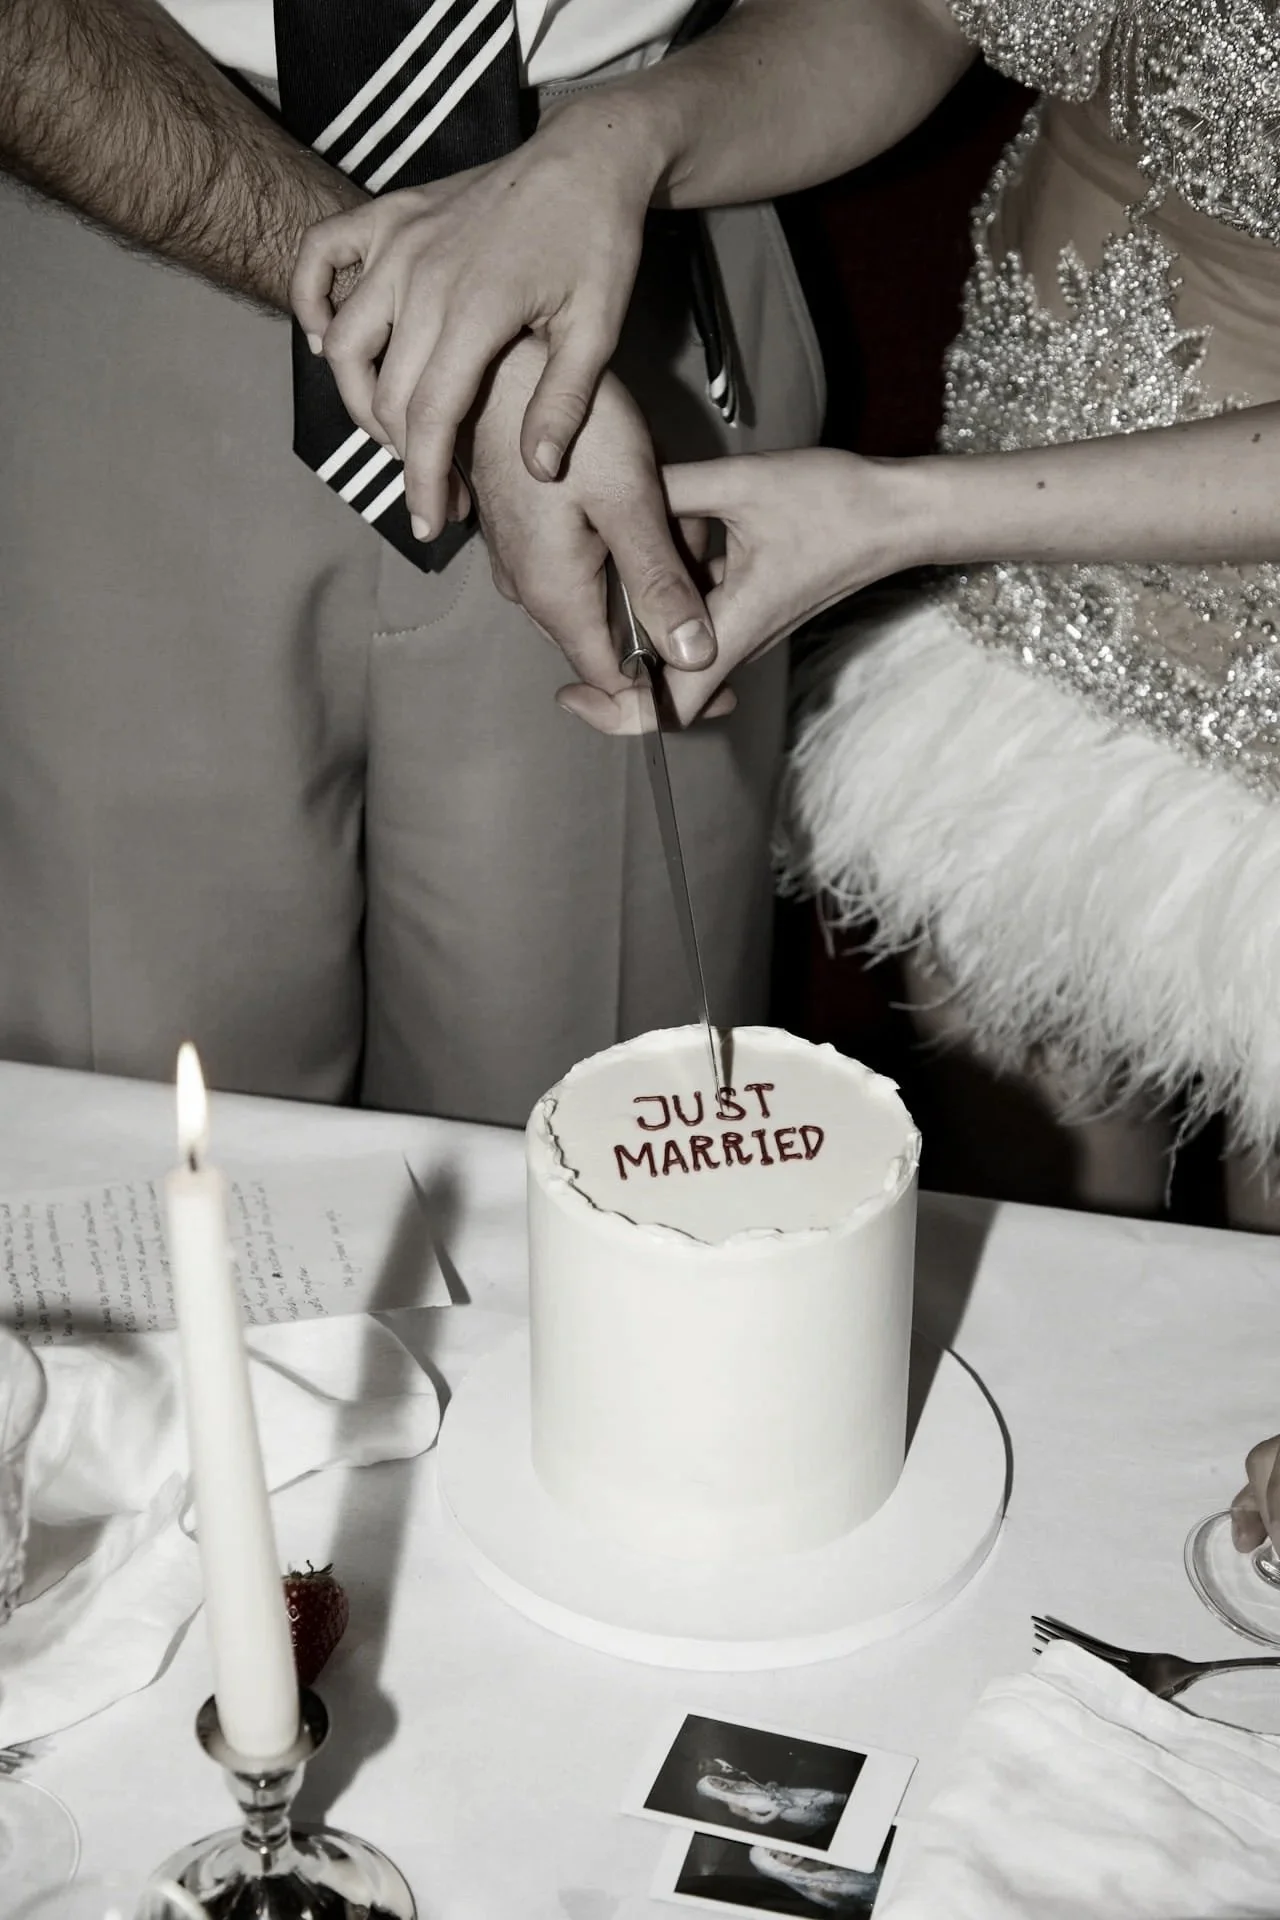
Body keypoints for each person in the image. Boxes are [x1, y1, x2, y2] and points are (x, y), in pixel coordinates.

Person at [308, 2, 1280, 1217]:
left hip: (1127, 615)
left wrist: (903, 516)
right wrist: (621, 141)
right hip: (1026, 632)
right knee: (1036, 1218)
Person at [0, 0, 823, 1125]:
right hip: (127, 179)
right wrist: (452, 335)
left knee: (603, 1119)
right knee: (128, 1120)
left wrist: (640, 138)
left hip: (629, 246)